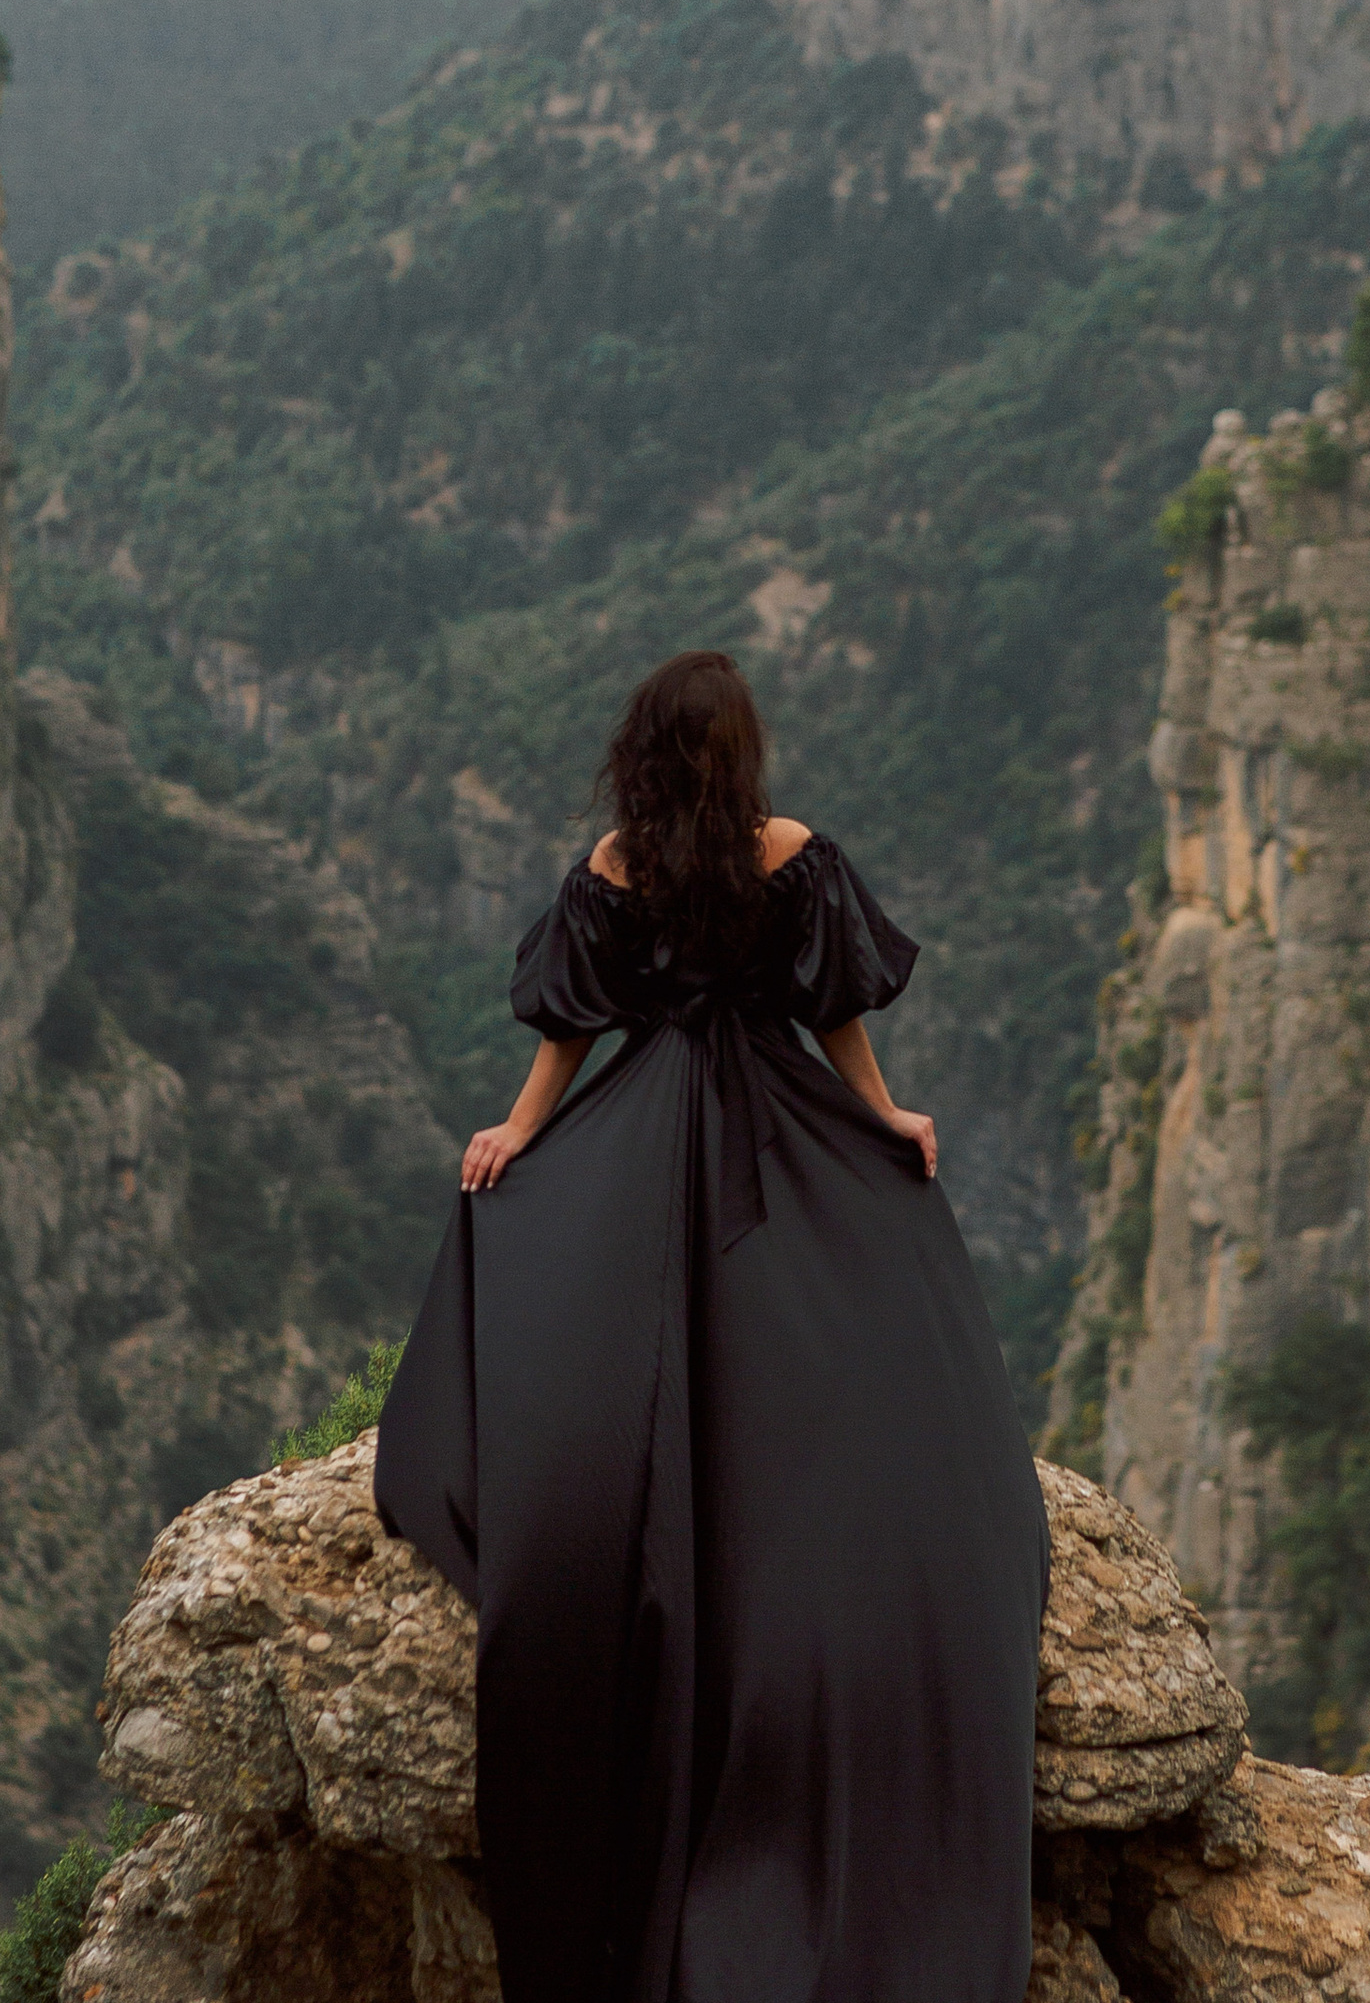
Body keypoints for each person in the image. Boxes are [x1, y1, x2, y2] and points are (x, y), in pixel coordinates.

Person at [376, 650, 1049, 2003]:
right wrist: (877, 1119)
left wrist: (521, 1135)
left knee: (640, 1351)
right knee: (802, 1343)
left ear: (642, 751)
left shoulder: (619, 861)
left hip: (646, 1127)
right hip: (772, 1121)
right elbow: (834, 1013)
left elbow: (568, 1035)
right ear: (738, 750)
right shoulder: (786, 853)